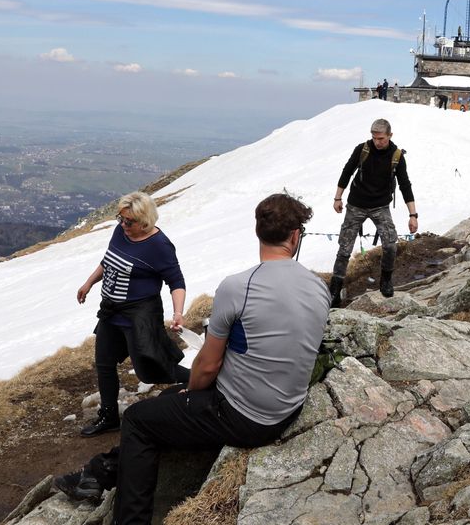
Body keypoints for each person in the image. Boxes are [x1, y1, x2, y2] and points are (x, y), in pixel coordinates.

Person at [57, 194, 331, 523]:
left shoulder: (238, 287)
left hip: (245, 416)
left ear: (258, 231)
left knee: (138, 421)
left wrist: (196, 388)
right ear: (295, 235)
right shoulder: (318, 288)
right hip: (288, 407)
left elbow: (208, 365)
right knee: (170, 400)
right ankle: (100, 473)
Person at [75, 192, 188, 439]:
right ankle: (109, 416)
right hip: (111, 311)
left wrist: (178, 312)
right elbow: (109, 260)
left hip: (139, 314)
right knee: (104, 363)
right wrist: (89, 283)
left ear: (145, 221)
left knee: (149, 368)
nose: (123, 225)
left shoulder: (159, 245)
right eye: (121, 219)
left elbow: (176, 281)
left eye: (129, 221)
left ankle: (199, 381)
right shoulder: (121, 232)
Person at [331, 119, 418, 304]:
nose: (377, 141)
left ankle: (386, 280)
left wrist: (413, 215)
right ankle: (335, 289)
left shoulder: (396, 156)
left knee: (390, 245)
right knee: (344, 249)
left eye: (381, 138)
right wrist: (337, 198)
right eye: (374, 137)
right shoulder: (362, 150)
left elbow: (405, 185)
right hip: (356, 204)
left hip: (380, 206)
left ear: (390, 135)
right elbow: (347, 172)